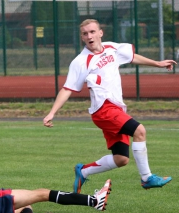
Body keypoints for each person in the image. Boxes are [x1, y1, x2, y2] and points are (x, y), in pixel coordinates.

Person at [43, 19, 177, 193]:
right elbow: (67, 88)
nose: (89, 36)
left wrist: (157, 63)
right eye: (85, 33)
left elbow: (131, 57)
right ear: (82, 37)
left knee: (121, 159)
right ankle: (147, 178)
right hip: (104, 110)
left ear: (100, 33)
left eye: (92, 32)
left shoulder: (111, 48)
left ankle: (83, 171)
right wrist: (52, 113)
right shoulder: (80, 62)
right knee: (140, 131)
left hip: (116, 108)